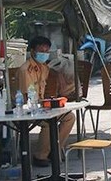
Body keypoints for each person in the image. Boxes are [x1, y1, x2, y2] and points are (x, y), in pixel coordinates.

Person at [18, 36, 75, 167]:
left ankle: (54, 150)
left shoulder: (44, 67)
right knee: (48, 123)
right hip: (28, 109)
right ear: (32, 51)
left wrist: (59, 76)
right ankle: (40, 155)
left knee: (69, 117)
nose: (44, 54)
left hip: (42, 106)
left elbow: (50, 79)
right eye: (41, 51)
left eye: (46, 51)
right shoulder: (25, 70)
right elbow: (28, 96)